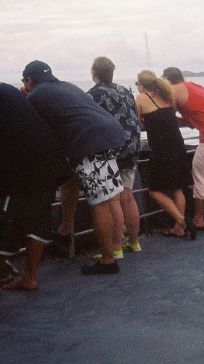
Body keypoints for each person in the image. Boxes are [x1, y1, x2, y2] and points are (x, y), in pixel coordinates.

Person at [21, 61, 126, 275]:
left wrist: (26, 98)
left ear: (30, 80)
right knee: (76, 181)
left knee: (100, 202)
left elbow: (29, 127)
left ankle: (108, 260)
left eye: (25, 81)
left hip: (90, 144)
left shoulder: (36, 95)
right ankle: (65, 228)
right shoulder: (65, 86)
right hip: (110, 136)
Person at [0, 83, 72, 290]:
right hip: (51, 162)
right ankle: (30, 276)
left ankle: (5, 271)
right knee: (38, 222)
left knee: (6, 224)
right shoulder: (9, 90)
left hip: (22, 166)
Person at [162, 67, 204, 230]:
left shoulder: (174, 91)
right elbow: (196, 117)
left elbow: (165, 116)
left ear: (166, 81)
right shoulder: (191, 86)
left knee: (199, 173)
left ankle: (199, 218)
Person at [89, 57, 143, 255]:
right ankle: (134, 241)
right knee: (128, 197)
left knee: (113, 199)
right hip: (131, 147)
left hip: (111, 150)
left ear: (94, 73)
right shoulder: (125, 91)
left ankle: (115, 247)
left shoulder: (94, 95)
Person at [134, 70, 196, 240]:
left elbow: (138, 120)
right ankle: (179, 229)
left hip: (160, 149)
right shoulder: (168, 96)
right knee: (177, 188)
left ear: (141, 85)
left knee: (155, 191)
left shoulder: (141, 98)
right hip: (178, 145)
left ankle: (181, 221)